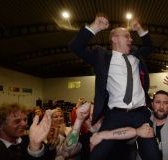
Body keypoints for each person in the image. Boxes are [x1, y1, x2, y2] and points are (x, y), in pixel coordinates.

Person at [69, 15, 160, 160]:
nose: (131, 39)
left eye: (131, 37)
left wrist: (140, 29)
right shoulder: (102, 57)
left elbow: (149, 47)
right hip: (115, 115)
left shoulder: (136, 56)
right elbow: (76, 46)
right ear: (114, 39)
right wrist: (95, 27)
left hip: (140, 114)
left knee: (153, 155)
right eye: (127, 36)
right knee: (97, 155)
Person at [90, 90, 168, 160]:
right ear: (152, 104)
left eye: (165, 103)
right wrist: (101, 134)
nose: (161, 107)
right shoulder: (142, 120)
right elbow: (128, 141)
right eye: (158, 102)